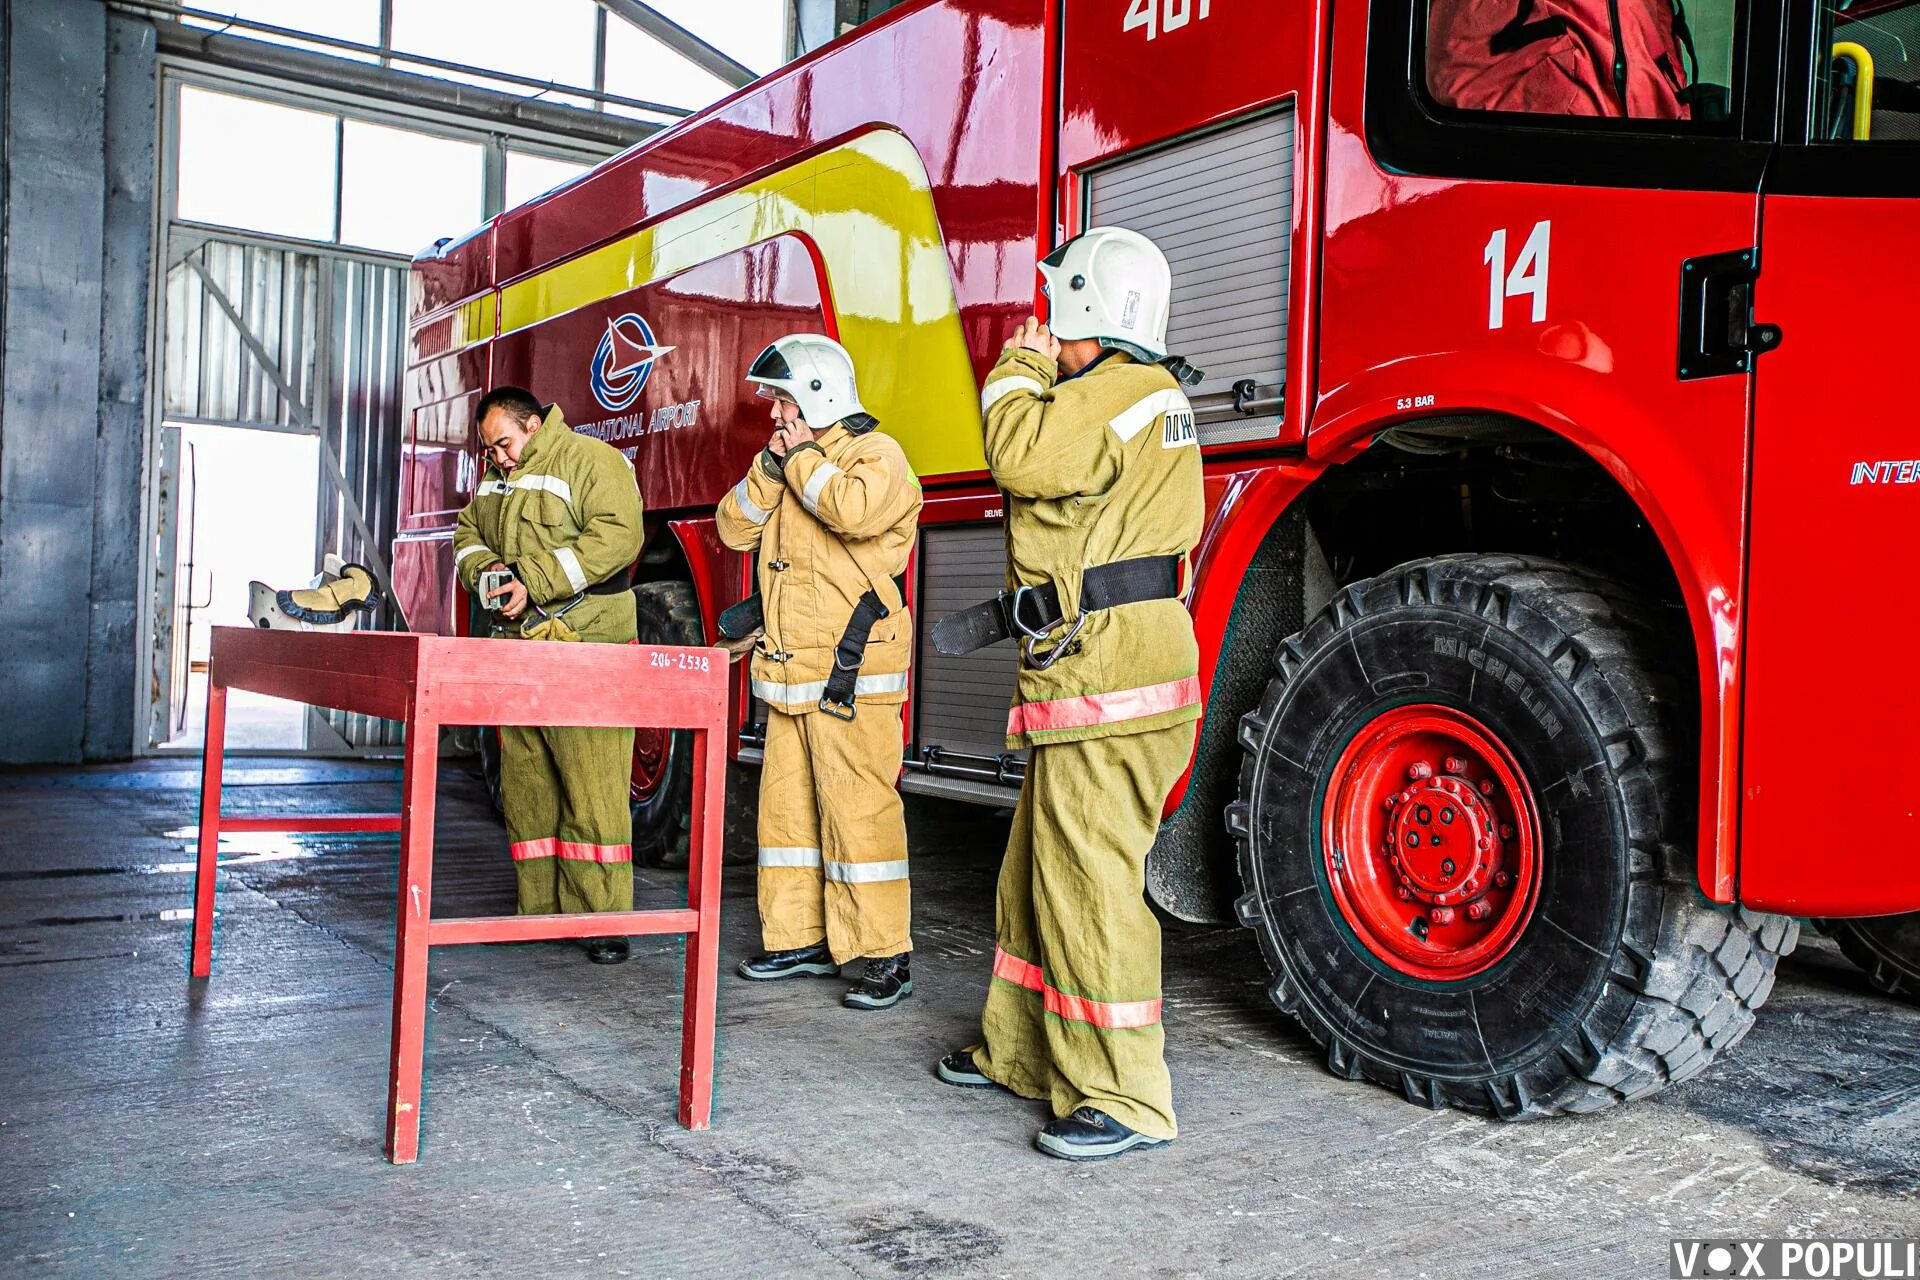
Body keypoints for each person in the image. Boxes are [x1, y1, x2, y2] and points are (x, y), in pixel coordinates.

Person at [932, 227, 1204, 1160]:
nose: (1050, 327)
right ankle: (1021, 1052)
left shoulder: (1118, 392)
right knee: (1033, 875)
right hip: (1099, 668)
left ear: (1092, 308)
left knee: (1090, 887)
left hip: (1109, 677)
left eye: (1058, 310)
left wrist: (1015, 361)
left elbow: (1016, 452)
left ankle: (1124, 1097)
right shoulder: (1142, 396)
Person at [716, 334, 923, 1011]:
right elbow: (731, 530)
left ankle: (883, 954)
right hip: (790, 675)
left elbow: (852, 512)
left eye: (783, 402)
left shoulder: (875, 457)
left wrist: (800, 460)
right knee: (787, 817)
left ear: (818, 396)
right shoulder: (784, 465)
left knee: (858, 814)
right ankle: (800, 937)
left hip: (850, 675)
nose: (774, 415)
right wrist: (771, 473)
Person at [452, 386, 644, 965]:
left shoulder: (591, 462)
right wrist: (486, 571)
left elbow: (619, 536)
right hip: (522, 651)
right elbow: (467, 535)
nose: (498, 458)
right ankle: (538, 912)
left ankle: (603, 922)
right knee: (529, 785)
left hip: (589, 649)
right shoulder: (496, 478)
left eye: (504, 444)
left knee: (594, 787)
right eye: (491, 450)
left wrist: (532, 578)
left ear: (533, 425)